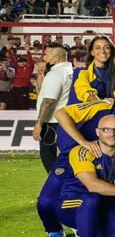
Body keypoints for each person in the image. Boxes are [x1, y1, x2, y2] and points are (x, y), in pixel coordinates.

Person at [37, 77, 115, 237]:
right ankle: (55, 232)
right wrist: (83, 142)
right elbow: (61, 113)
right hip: (72, 156)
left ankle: (92, 230)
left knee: (95, 200)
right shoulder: (101, 106)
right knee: (45, 202)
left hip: (101, 164)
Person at [33, 42, 72, 172]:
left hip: (52, 122)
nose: (44, 57)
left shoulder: (55, 74)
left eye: (47, 54)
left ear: (56, 58)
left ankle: (55, 183)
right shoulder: (70, 71)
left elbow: (49, 100)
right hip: (65, 121)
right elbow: (41, 91)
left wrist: (39, 123)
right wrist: (41, 74)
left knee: (50, 159)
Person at [70, 35, 115, 104]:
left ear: (111, 51)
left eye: (107, 47)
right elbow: (84, 91)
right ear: (92, 52)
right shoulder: (82, 71)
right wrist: (103, 104)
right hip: (84, 109)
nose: (102, 51)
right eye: (97, 48)